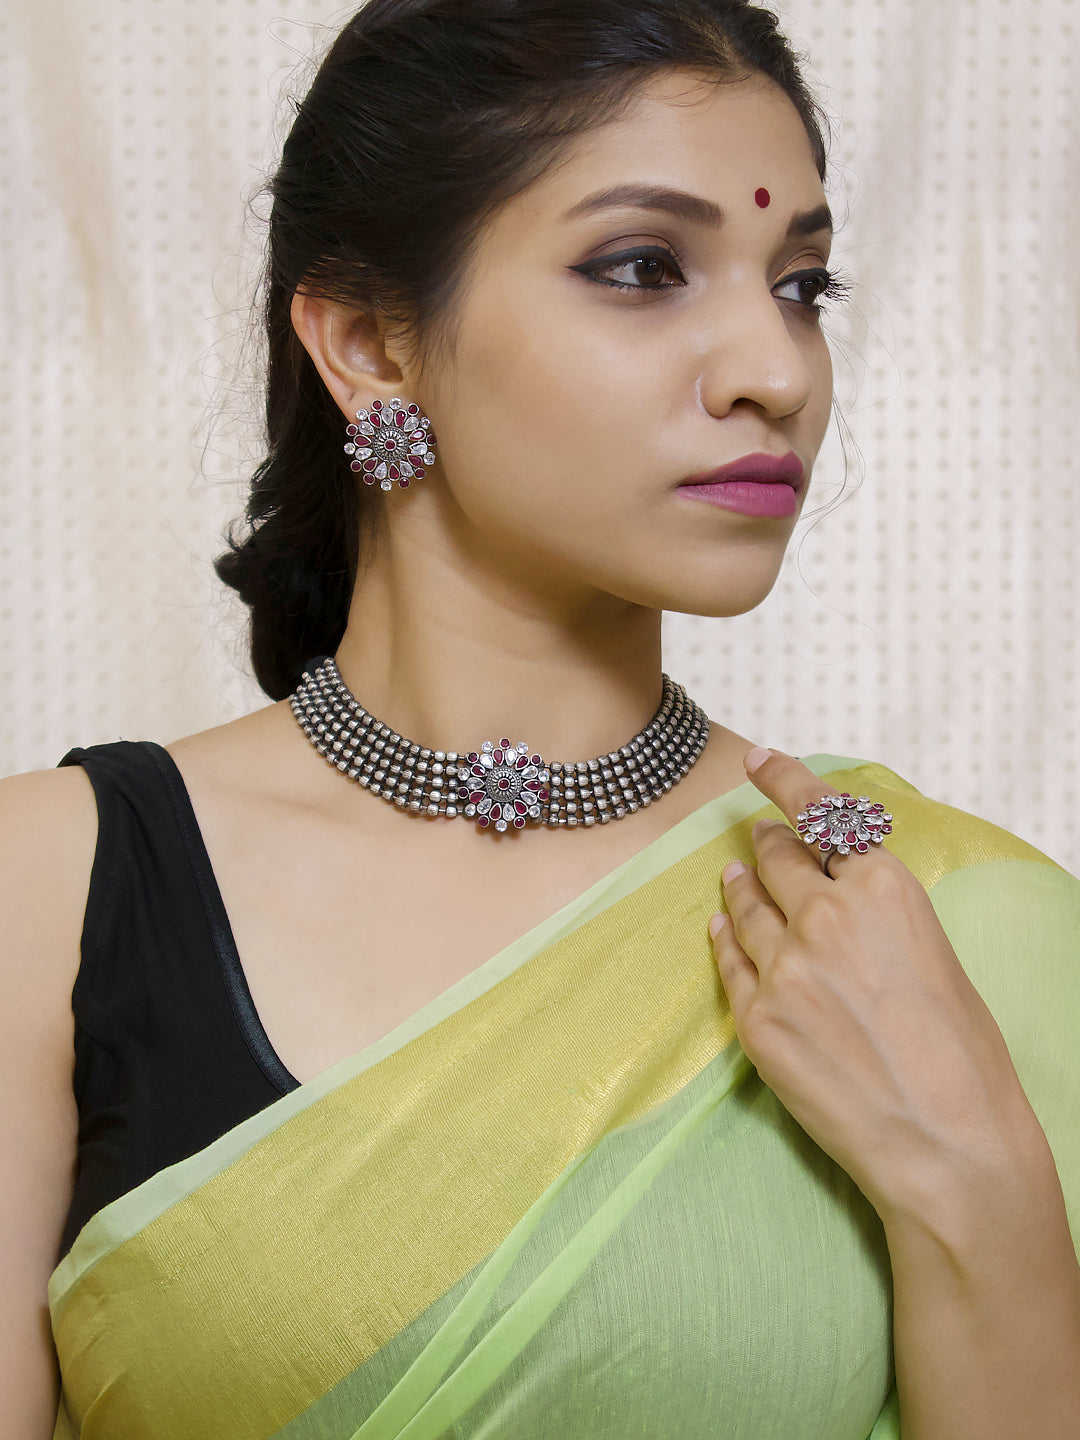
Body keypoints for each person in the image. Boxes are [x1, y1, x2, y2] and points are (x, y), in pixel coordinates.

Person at [3, 0, 1078, 1435]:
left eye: (802, 286)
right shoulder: (52, 890)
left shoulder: (939, 914)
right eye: (644, 268)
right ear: (370, 345)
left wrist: (975, 1176)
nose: (775, 370)